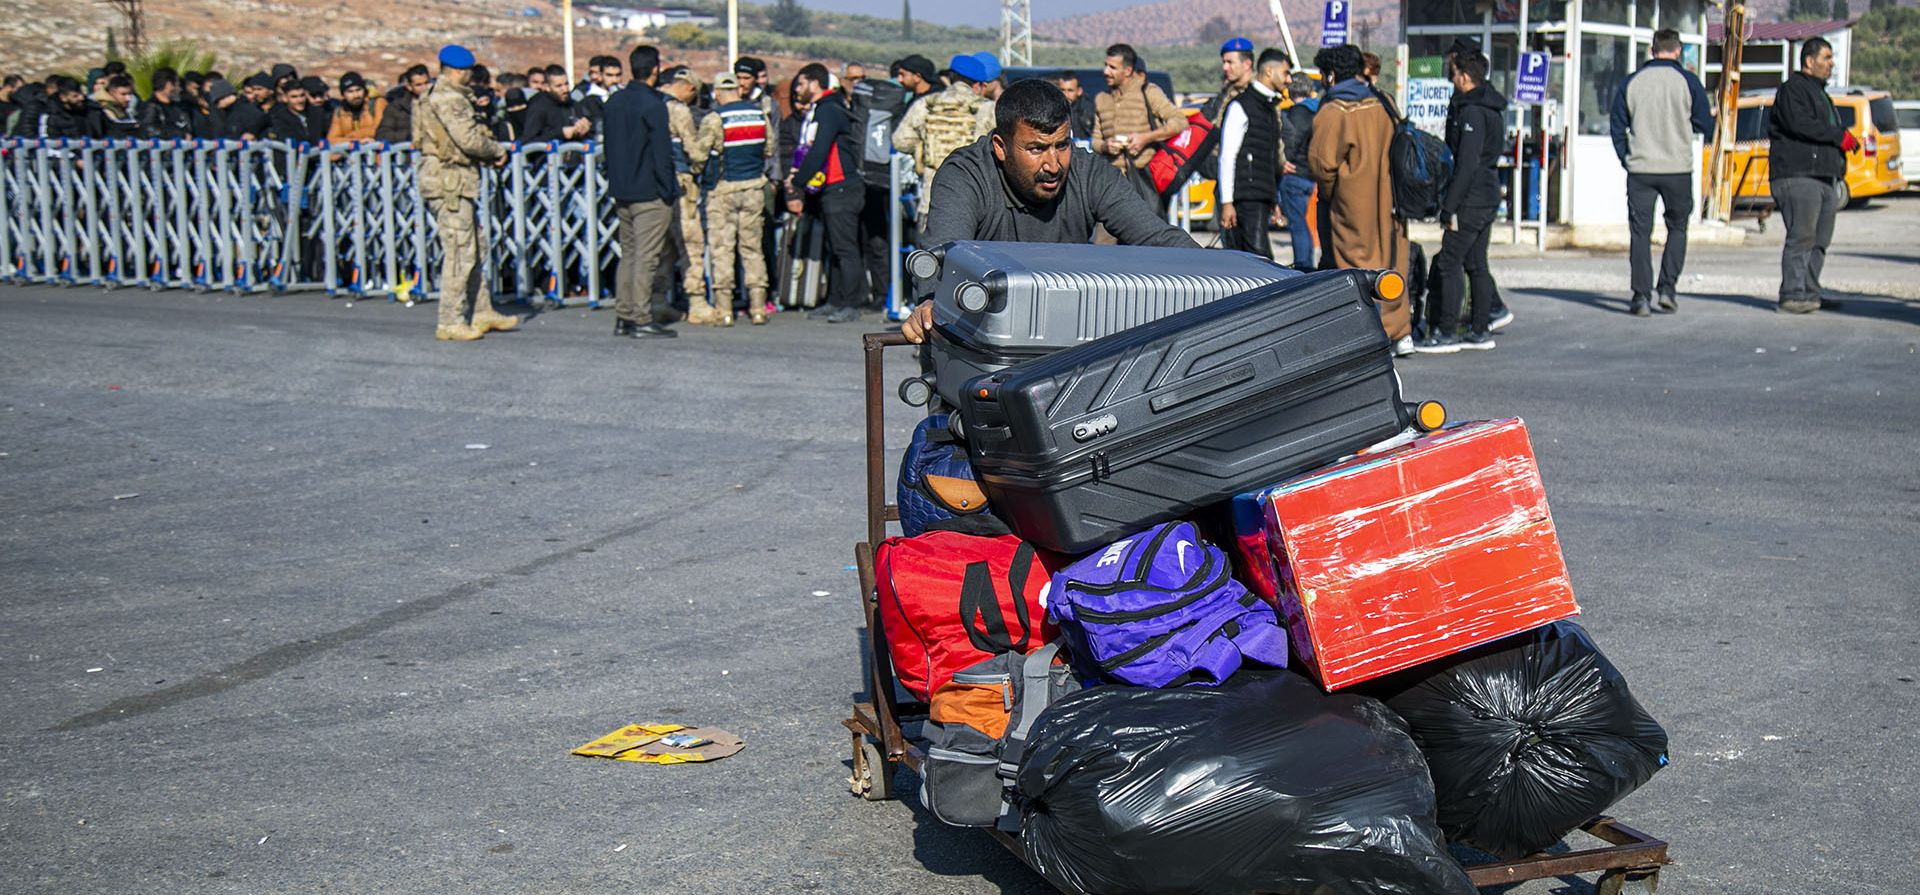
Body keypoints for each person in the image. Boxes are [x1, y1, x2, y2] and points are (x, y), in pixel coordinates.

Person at [899, 78, 1198, 343]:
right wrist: (928, 302)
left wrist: (1230, 275)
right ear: (1001, 147)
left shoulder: (1089, 172)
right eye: (1036, 149)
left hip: (1063, 338)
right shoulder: (966, 174)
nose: (1053, 165)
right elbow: (942, 255)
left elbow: (1159, 238)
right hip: (980, 336)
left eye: (1062, 145)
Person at [1306, 44, 1411, 346]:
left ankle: (1363, 337)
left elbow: (1321, 164)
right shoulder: (1385, 101)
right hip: (1392, 201)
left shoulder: (1335, 110)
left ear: (1331, 75)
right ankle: (1399, 331)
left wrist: (1332, 195)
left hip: (1351, 206)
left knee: (1353, 271)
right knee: (1391, 263)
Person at [410, 45, 514, 341]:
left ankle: (482, 311)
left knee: (474, 246)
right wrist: (495, 150)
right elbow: (467, 140)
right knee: (459, 251)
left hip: (449, 176)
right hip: (449, 179)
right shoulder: (450, 99)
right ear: (459, 71)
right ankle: (451, 319)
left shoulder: (429, 96)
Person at [1608, 30, 1715, 317]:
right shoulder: (1689, 82)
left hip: (1641, 169)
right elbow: (1706, 124)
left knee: (1640, 232)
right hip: (1677, 168)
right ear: (1678, 50)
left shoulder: (1632, 82)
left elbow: (1617, 125)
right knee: (1677, 227)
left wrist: (1626, 158)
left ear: (1652, 50)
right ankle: (1667, 289)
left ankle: (1640, 296)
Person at [1416, 49, 1507, 354]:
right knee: (1476, 262)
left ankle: (1445, 332)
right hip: (1487, 193)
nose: (1451, 78)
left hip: (1471, 198)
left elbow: (1467, 163)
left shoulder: (1471, 112)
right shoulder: (1492, 106)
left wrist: (1449, 206)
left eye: (1453, 73)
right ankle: (1479, 329)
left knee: (1450, 262)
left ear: (1465, 77)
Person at [603, 45, 682, 339]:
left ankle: (624, 315)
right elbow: (662, 153)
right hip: (649, 192)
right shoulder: (653, 105)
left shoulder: (614, 102)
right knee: (647, 258)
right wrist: (669, 190)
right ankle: (640, 317)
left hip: (622, 189)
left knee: (630, 254)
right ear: (655, 70)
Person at [1767, 37, 1850, 315]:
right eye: (1826, 58)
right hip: (1798, 175)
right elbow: (1800, 125)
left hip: (1824, 177)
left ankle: (1810, 292)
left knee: (1820, 241)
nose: (1831, 63)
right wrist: (1839, 135)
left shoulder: (1822, 94)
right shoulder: (1793, 90)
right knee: (1802, 237)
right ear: (1809, 61)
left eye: (1831, 58)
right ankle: (1791, 294)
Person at [789, 62, 866, 323]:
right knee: (834, 247)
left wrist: (797, 181)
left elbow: (819, 150)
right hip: (830, 188)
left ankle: (851, 304)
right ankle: (834, 300)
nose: (796, 89)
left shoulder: (829, 110)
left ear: (814, 83)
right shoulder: (825, 109)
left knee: (845, 248)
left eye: (801, 83)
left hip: (842, 186)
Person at [701, 72, 776, 325]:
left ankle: (724, 310)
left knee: (723, 249)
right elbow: (769, 149)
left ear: (718, 92)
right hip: (754, 187)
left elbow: (701, 154)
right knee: (752, 248)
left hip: (723, 189)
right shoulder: (759, 115)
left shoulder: (715, 118)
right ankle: (758, 307)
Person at [893, 53, 996, 226]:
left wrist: (922, 148)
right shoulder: (986, 109)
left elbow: (900, 141)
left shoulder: (926, 104)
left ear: (951, 78)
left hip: (931, 201)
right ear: (978, 85)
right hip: (974, 202)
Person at [660, 66, 720, 324]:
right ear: (689, 88)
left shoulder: (651, 105)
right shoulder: (678, 109)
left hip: (657, 184)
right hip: (682, 183)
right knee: (690, 242)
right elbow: (693, 150)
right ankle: (697, 302)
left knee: (664, 246)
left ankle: (656, 300)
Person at [1093, 43, 1185, 208]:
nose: (1106, 72)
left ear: (1128, 71)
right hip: (1110, 185)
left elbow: (1179, 122)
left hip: (1144, 183)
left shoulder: (1149, 92)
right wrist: (1105, 146)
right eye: (1105, 65)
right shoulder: (1101, 98)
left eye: (1112, 67)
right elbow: (1094, 140)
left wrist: (1145, 138)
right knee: (1103, 234)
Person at [1217, 48, 1288, 259]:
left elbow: (1268, 158)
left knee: (1258, 259)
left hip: (1261, 195)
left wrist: (1273, 199)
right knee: (1259, 260)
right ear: (1268, 72)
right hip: (1245, 197)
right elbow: (1227, 156)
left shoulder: (1269, 106)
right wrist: (1227, 202)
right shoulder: (1242, 105)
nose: (1289, 79)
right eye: (1285, 73)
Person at [1276, 73, 1319, 270]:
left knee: (1297, 224)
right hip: (1311, 174)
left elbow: (1290, 143)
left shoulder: (1296, 115)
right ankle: (1306, 261)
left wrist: (1283, 161)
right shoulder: (1318, 111)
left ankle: (1303, 264)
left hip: (1294, 175)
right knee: (1303, 223)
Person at [1201, 37, 1257, 126]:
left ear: (1247, 64)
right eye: (1224, 62)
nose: (1225, 68)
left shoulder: (1259, 94)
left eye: (1230, 62)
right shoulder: (1227, 94)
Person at [374, 64, 429, 143]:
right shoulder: (396, 107)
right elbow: (382, 135)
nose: (424, 88)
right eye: (418, 85)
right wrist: (410, 135)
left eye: (426, 83)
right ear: (409, 86)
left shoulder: (438, 104)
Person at [326, 72, 385, 144]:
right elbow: (331, 139)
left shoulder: (377, 103)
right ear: (343, 94)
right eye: (350, 92)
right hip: (351, 152)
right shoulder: (340, 111)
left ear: (364, 90)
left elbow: (379, 129)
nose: (356, 95)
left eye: (358, 90)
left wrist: (351, 136)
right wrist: (357, 141)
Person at [137, 68, 194, 139]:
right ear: (168, 84)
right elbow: (147, 129)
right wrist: (177, 135)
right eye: (177, 84)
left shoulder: (177, 107)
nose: (179, 89)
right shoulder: (151, 107)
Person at [225, 74, 275, 140]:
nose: (256, 93)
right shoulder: (246, 110)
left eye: (259, 89)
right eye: (254, 89)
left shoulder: (279, 108)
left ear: (270, 91)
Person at [1053, 71, 1095, 146]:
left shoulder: (1090, 110)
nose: (1065, 94)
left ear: (1079, 91)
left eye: (1070, 90)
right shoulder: (1053, 109)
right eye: (1062, 90)